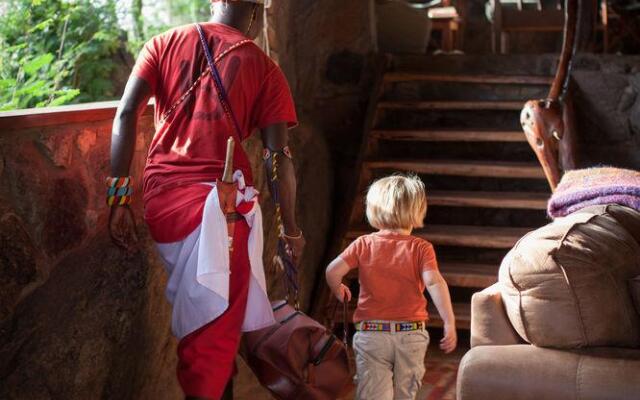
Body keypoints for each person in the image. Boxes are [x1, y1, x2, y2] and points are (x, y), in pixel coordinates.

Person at [107, 0, 305, 399]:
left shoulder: (163, 43)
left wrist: (118, 199)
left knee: (213, 326)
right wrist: (292, 231)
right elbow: (277, 160)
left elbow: (127, 113)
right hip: (221, 216)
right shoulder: (266, 70)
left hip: (163, 206)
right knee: (211, 340)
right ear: (257, 8)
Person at [325, 175, 457, 400]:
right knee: (406, 393)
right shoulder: (421, 248)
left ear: (373, 209)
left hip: (373, 334)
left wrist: (338, 289)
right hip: (411, 333)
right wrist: (449, 321)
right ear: (417, 210)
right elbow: (434, 282)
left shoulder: (363, 244)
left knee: (373, 393)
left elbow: (332, 271)